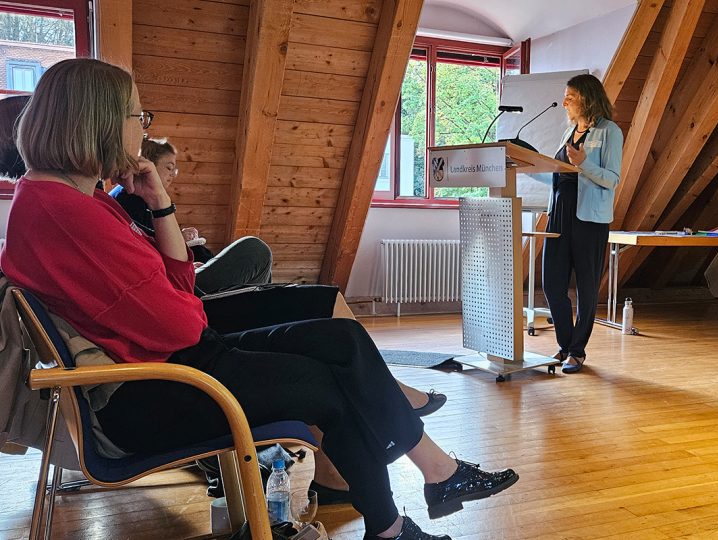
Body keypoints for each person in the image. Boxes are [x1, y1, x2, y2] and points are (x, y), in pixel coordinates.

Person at [0, 58, 518, 540]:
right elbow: (184, 322)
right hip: (144, 394)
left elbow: (180, 290)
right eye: (139, 114)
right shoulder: (67, 215)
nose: (144, 126)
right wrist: (176, 292)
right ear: (101, 121)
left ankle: (429, 484)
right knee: (330, 382)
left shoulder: (64, 198)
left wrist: (160, 204)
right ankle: (408, 508)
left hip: (164, 366)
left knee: (339, 337)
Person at [533, 74, 623, 374]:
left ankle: (576, 351)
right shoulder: (569, 131)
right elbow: (558, 176)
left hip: (589, 219)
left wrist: (584, 163)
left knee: (586, 288)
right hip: (559, 214)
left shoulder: (609, 132)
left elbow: (611, 180)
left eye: (570, 95)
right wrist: (530, 164)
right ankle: (566, 344)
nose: (565, 101)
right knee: (552, 284)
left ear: (586, 96)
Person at [112, 137, 273, 295]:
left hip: (174, 274)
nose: (173, 175)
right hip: (166, 283)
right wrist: (180, 242)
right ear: (149, 164)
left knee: (260, 269)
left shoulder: (145, 197)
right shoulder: (129, 197)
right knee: (255, 251)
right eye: (169, 168)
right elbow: (141, 253)